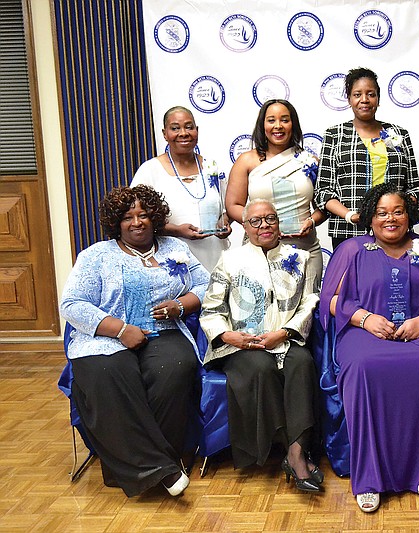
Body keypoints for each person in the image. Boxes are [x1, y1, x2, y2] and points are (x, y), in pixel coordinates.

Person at [318, 183, 419, 512]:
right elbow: (330, 299)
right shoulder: (352, 250)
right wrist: (364, 318)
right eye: (381, 213)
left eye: (398, 211)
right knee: (362, 368)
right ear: (370, 218)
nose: (390, 219)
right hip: (365, 334)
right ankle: (369, 478)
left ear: (409, 215)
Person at [60, 185, 209, 497]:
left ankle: (141, 467)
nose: (137, 222)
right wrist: (119, 329)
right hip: (104, 338)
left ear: (154, 217)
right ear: (117, 222)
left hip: (165, 333)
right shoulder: (95, 256)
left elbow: (207, 284)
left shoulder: (175, 249)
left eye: (143, 215)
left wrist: (181, 305)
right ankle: (162, 469)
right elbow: (72, 304)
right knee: (108, 373)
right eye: (128, 217)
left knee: (174, 369)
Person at [199, 199, 322, 492]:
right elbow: (211, 309)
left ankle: (295, 451)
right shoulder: (230, 259)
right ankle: (282, 449)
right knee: (260, 367)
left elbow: (309, 302)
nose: (264, 225)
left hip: (285, 339)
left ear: (279, 223)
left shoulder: (299, 257)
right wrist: (229, 336)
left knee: (302, 363)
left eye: (270, 219)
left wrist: (284, 333)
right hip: (240, 344)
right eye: (255, 221)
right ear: (244, 226)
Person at [315, 67, 419, 250]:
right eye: (357, 94)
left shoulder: (399, 134)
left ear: (378, 99)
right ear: (349, 99)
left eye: (370, 94)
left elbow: (414, 187)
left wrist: (396, 213)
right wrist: (351, 216)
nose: (364, 100)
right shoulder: (334, 135)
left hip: (393, 231)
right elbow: (323, 191)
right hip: (348, 232)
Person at [225, 99, 325, 284]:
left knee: (307, 307)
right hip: (259, 248)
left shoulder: (310, 160)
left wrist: (312, 221)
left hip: (305, 249)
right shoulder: (247, 161)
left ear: (293, 124)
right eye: (271, 120)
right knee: (262, 308)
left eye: (285, 120)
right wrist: (261, 225)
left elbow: (324, 206)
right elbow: (233, 205)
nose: (278, 126)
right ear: (262, 125)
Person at [131, 105, 231, 271]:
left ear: (197, 131)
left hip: (215, 257)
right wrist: (176, 230)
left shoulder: (211, 167)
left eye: (189, 127)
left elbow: (228, 207)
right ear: (165, 134)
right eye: (175, 128)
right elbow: (135, 218)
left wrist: (225, 222)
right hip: (171, 262)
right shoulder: (150, 170)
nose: (183, 133)